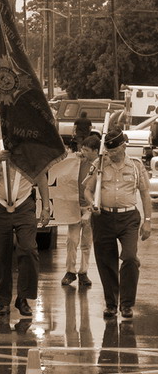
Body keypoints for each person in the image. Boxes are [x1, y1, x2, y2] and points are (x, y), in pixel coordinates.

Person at [84, 129, 152, 319]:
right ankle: (111, 304)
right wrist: (92, 203)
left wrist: (147, 221)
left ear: (123, 147)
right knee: (106, 262)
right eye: (108, 150)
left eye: (113, 150)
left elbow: (145, 194)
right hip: (103, 217)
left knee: (130, 258)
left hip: (128, 217)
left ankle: (127, 304)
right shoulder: (99, 164)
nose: (110, 154)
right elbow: (88, 191)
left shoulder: (136, 166)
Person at [0, 139, 51, 317]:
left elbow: (42, 176)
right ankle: (2, 302)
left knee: (28, 249)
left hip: (24, 203)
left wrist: (45, 207)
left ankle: (23, 298)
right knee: (0, 254)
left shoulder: (31, 148)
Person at [61, 135, 100, 287]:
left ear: (96, 151)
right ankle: (70, 271)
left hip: (90, 207)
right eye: (82, 148)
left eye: (86, 150)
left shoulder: (100, 166)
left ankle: (83, 272)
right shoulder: (77, 162)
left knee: (86, 242)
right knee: (72, 240)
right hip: (74, 206)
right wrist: (72, 158)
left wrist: (91, 209)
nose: (82, 151)